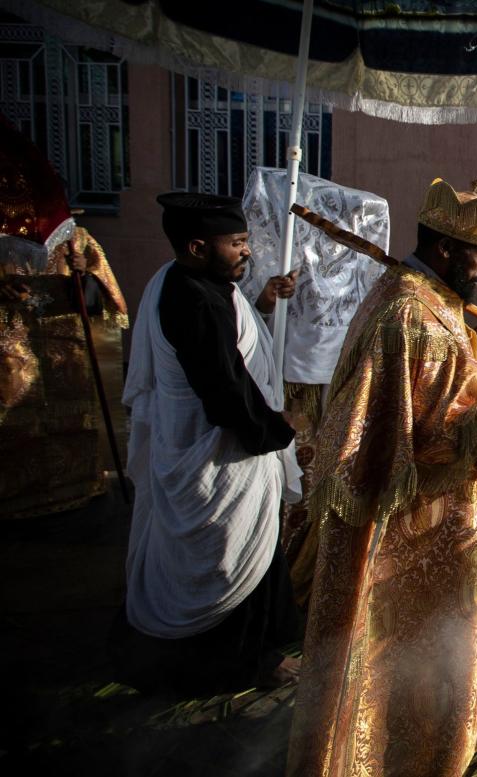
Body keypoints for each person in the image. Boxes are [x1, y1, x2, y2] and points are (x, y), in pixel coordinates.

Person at [287, 179, 477, 777]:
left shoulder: (412, 296)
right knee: (417, 642)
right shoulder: (414, 316)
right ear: (447, 249)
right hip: (419, 524)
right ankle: (414, 748)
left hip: (425, 514)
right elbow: (432, 439)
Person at [110, 192, 303, 696]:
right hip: (215, 453)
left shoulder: (185, 280)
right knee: (229, 552)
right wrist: (282, 429)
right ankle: (245, 664)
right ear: (197, 246)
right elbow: (225, 390)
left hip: (198, 442)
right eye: (236, 243)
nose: (247, 252)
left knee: (228, 551)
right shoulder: (193, 297)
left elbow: (233, 338)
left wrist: (262, 301)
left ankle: (252, 652)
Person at [238, 169, 391, 606]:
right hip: (294, 384)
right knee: (297, 476)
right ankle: (282, 570)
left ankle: (327, 567)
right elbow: (253, 320)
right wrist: (269, 297)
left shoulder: (358, 265)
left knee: (336, 472)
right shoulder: (283, 262)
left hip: (341, 381)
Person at [0, 224, 128, 519]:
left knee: (72, 419)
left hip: (66, 349)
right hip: (11, 352)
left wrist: (85, 273)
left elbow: (109, 300)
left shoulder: (76, 237)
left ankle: (77, 485)